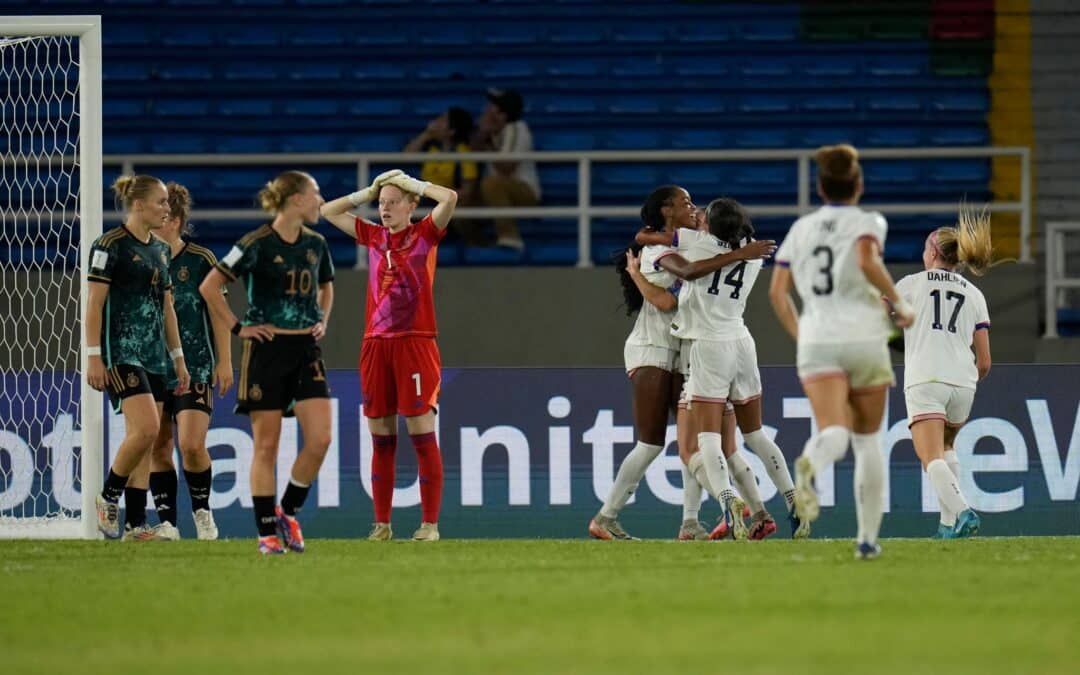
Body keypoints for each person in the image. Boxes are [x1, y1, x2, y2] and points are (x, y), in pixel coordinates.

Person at [587, 186, 773, 542]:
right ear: (666, 211)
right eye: (685, 202)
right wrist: (640, 278)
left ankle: (690, 522)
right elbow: (670, 302)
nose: (693, 207)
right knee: (652, 443)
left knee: (698, 442)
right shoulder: (657, 251)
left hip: (686, 353)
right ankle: (606, 517)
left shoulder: (683, 242)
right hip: (653, 349)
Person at [768, 144, 914, 560]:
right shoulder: (869, 221)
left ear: (819, 186)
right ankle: (867, 541)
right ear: (859, 185)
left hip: (817, 338)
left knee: (832, 429)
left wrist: (803, 337)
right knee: (868, 442)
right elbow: (867, 260)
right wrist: (898, 303)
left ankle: (811, 462)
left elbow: (777, 293)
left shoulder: (801, 230)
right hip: (864, 335)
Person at [199, 170, 335, 555]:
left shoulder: (317, 244)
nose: (320, 200)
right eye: (316, 193)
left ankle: (287, 511)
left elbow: (327, 286)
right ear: (295, 199)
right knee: (267, 446)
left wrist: (323, 319)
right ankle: (266, 533)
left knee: (321, 438)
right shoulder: (255, 243)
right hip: (267, 350)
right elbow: (210, 286)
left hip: (306, 349)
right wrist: (239, 327)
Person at [320, 168, 459, 542]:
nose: (385, 209)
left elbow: (449, 198)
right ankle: (382, 525)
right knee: (381, 435)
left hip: (415, 342)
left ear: (411, 205)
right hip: (375, 343)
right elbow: (328, 211)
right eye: (381, 203)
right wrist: (367, 190)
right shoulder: (373, 236)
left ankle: (429, 525)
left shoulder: (425, 234)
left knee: (420, 432)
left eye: (393, 202)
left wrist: (414, 184)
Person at [651, 197, 797, 540]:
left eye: (703, 213)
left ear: (708, 226)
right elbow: (728, 244)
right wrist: (738, 251)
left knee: (707, 440)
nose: (696, 213)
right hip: (742, 342)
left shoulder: (695, 245)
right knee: (755, 434)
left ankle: (729, 501)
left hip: (707, 346)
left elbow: (678, 261)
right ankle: (792, 498)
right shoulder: (753, 250)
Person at [87, 174, 190, 541]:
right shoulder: (109, 245)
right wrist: (94, 356)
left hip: (154, 356)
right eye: (161, 202)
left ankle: (135, 525)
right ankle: (108, 497)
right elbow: (95, 304)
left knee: (144, 439)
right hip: (121, 352)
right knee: (146, 428)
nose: (167, 208)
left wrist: (177, 357)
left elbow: (167, 309)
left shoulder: (161, 250)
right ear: (138, 204)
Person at [136, 182, 232, 540]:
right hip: (154, 367)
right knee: (159, 445)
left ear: (174, 220)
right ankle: (168, 524)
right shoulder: (142, 260)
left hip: (196, 368)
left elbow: (220, 314)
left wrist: (225, 362)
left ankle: (202, 512)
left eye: (160, 217)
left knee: (191, 444)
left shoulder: (202, 260)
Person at [894, 206, 996, 539]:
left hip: (925, 378)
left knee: (929, 457)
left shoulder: (911, 284)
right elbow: (984, 361)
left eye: (926, 248)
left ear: (934, 252)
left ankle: (964, 511)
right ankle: (947, 525)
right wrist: (965, 380)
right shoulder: (975, 294)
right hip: (964, 384)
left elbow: (879, 315)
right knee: (947, 449)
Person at [471, 88, 539, 251]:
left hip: (524, 191)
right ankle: (478, 247)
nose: (487, 109)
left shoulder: (517, 129)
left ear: (503, 113)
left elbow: (507, 168)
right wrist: (483, 134)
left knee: (492, 183)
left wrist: (488, 143)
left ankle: (510, 237)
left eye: (492, 106)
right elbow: (473, 150)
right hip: (493, 193)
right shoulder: (493, 131)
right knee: (458, 202)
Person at [404, 106, 482, 245]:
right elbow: (406, 157)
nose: (436, 122)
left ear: (452, 131)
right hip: (424, 198)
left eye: (443, 120)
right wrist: (426, 135)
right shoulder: (430, 145)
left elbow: (468, 191)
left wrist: (438, 195)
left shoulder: (463, 153)